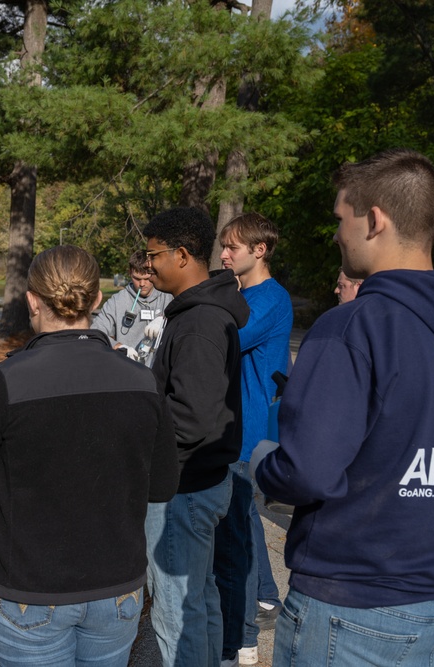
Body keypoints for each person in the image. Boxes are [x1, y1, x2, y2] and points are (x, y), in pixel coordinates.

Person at [254, 149, 434, 666]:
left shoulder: (354, 326)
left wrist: (262, 466)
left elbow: (306, 469)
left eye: (339, 218)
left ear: (374, 220)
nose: (336, 234)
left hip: (355, 610)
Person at [0, 245, 179, 666]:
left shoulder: (1, 384)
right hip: (115, 587)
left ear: (32, 300)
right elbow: (162, 485)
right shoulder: (143, 381)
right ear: (99, 299)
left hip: (29, 589)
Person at [141, 207, 250, 667]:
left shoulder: (200, 323)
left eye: (154, 256)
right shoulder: (200, 313)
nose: (148, 266)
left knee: (175, 614)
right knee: (199, 599)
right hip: (199, 483)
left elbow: (195, 418)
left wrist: (139, 426)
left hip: (182, 489)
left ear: (182, 255)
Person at [215, 212, 292, 666]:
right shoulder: (242, 292)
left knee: (236, 536)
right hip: (228, 429)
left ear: (259, 250)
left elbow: (225, 336)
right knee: (240, 527)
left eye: (233, 247)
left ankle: (243, 638)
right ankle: (262, 599)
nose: (224, 254)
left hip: (246, 435)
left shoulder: (270, 299)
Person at [92, 249, 171, 363]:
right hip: (128, 370)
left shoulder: (168, 296)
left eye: (147, 278)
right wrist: (118, 347)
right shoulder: (117, 301)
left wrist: (164, 319)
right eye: (137, 278)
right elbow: (96, 331)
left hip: (159, 373)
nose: (142, 284)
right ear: (130, 273)